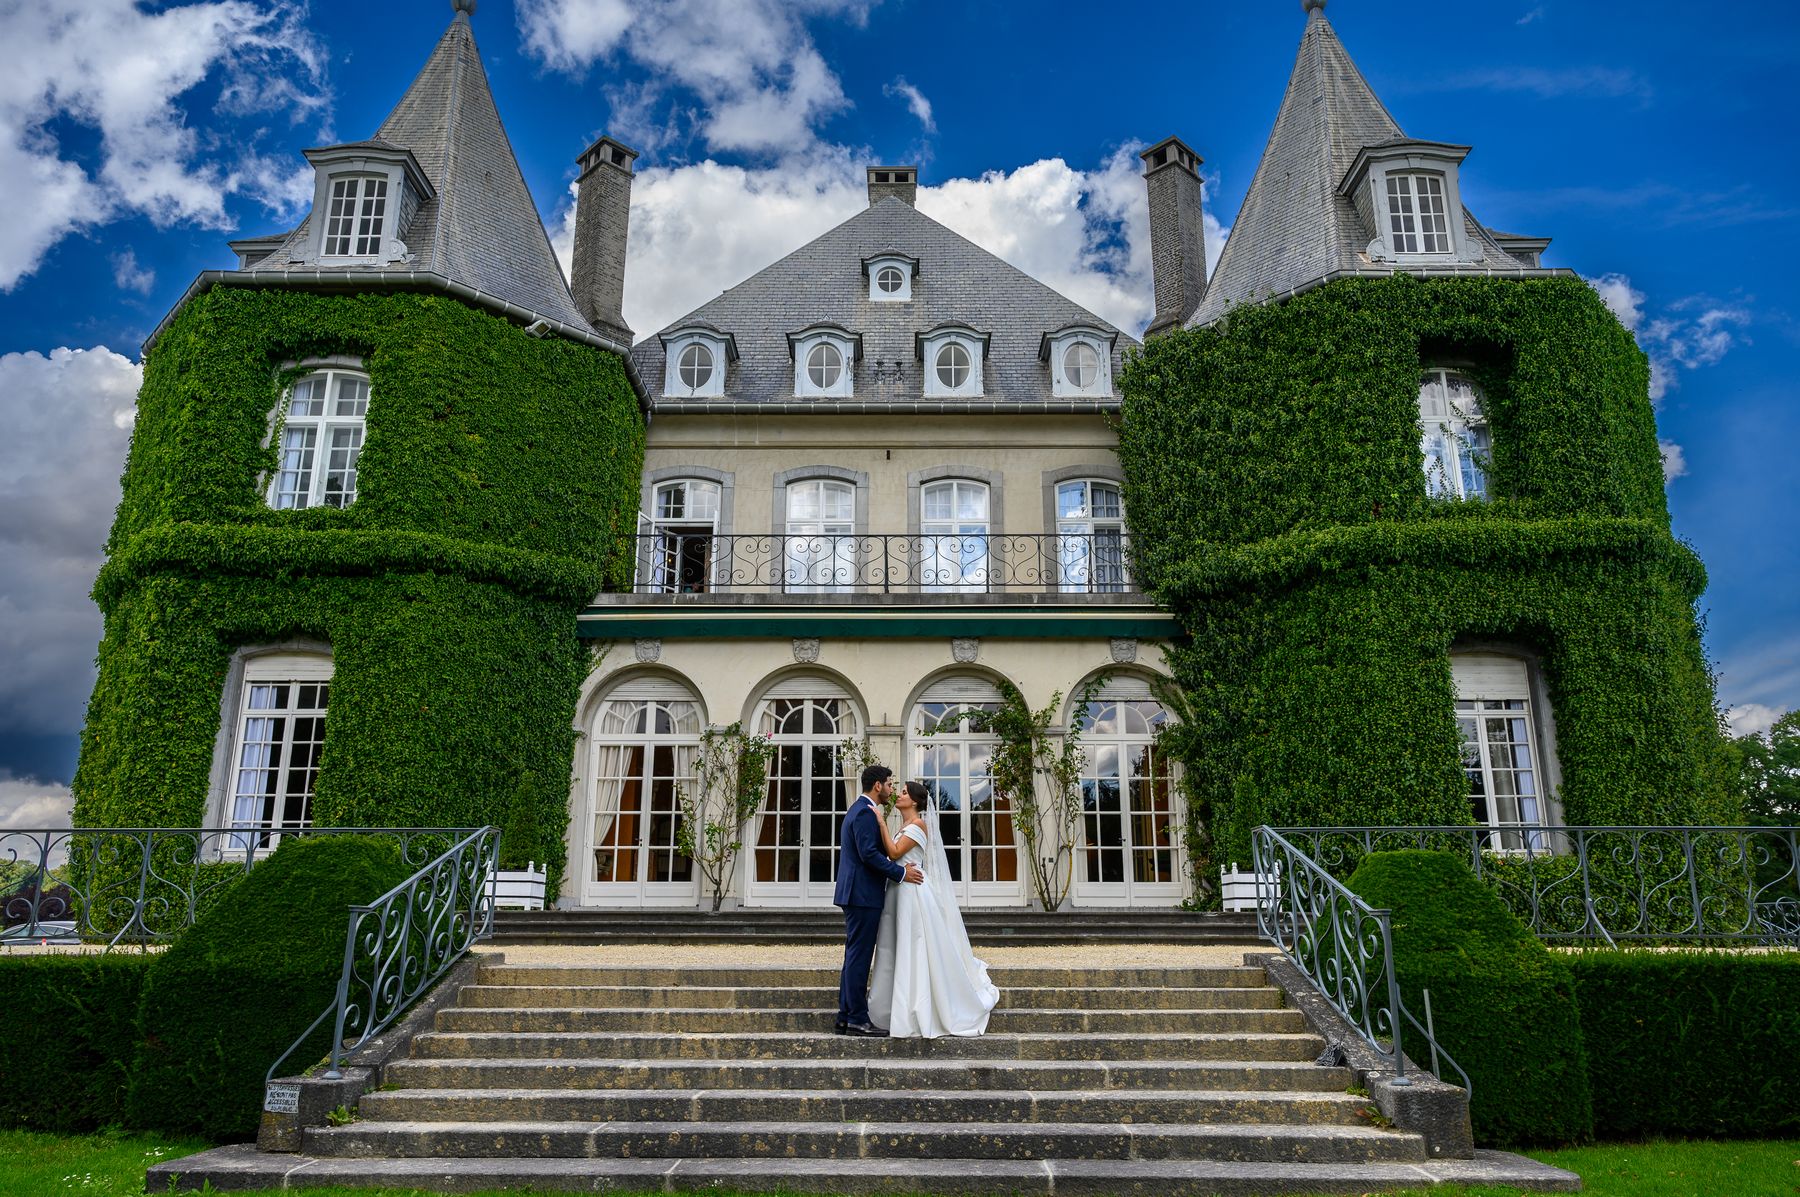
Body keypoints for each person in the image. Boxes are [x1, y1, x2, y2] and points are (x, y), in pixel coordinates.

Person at [867, 780, 1001, 1037]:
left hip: (912, 893)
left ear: (915, 801)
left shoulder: (918, 825)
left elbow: (894, 853)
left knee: (914, 945)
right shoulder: (905, 825)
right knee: (897, 946)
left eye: (904, 793)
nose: (899, 795)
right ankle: (893, 1007)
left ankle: (918, 1006)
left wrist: (881, 822)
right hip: (899, 889)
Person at [833, 764, 922, 1036]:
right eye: (890, 784)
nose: (892, 789)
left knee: (854, 956)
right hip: (862, 895)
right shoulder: (864, 813)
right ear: (877, 786)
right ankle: (858, 1019)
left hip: (858, 894)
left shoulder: (863, 811)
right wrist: (899, 874)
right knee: (859, 958)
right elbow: (868, 854)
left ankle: (846, 1016)